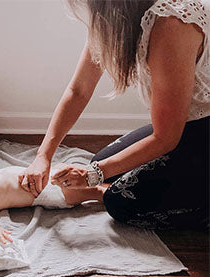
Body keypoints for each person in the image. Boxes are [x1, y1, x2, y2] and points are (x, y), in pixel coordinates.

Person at [19, 0, 210, 230]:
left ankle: (104, 194)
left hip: (202, 130)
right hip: (187, 125)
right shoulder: (114, 22)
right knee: (102, 164)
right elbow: (78, 90)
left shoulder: (172, 24)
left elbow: (166, 137)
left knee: (120, 201)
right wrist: (44, 155)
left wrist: (93, 177)